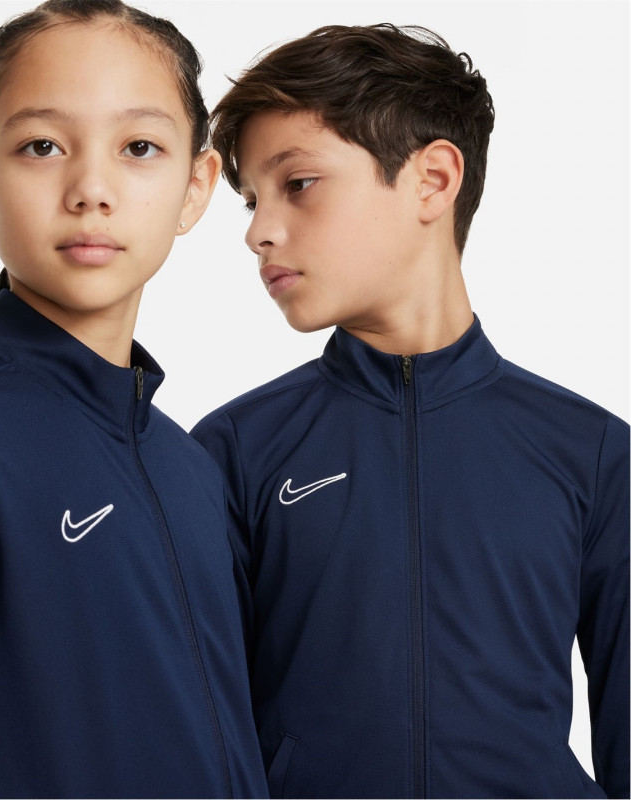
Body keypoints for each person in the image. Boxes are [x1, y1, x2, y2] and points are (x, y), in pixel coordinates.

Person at [0, 1, 268, 796]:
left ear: (195, 188)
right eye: (41, 146)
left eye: (139, 147)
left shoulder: (192, 470)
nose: (91, 189)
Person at [191, 23, 629, 799]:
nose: (259, 231)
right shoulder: (233, 451)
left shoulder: (592, 453)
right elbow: (198, 739)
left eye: (298, 183)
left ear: (432, 180)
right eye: (253, 200)